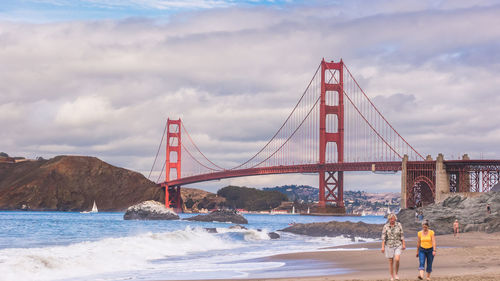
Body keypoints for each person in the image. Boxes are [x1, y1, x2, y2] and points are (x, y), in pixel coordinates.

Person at [381, 213, 406, 281]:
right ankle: (392, 276)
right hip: (389, 245)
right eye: (390, 219)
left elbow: (402, 235)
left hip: (398, 244)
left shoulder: (399, 225)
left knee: (397, 259)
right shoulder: (386, 226)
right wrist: (383, 247)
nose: (391, 220)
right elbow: (383, 237)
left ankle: (396, 274)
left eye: (392, 218)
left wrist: (403, 244)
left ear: (395, 218)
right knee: (391, 262)